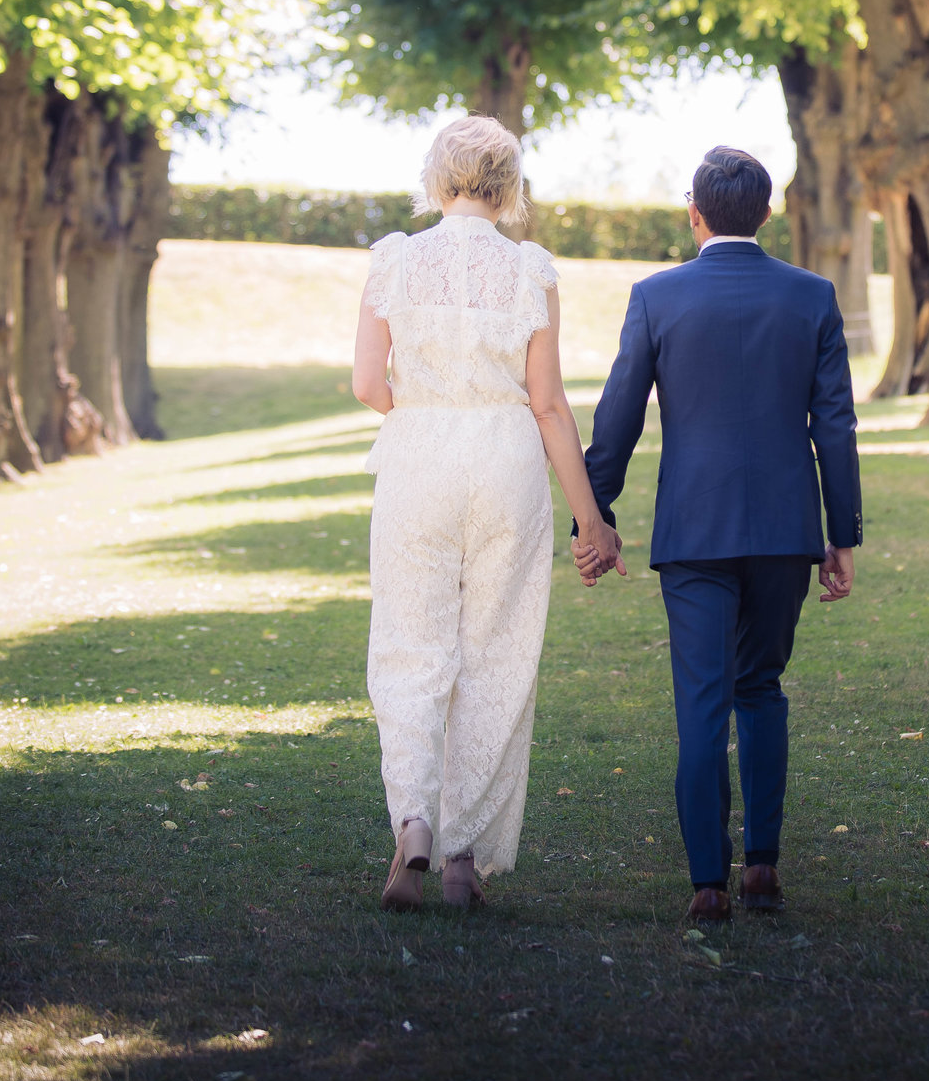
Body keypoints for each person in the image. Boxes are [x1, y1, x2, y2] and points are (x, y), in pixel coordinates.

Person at [576, 146, 861, 922]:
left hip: (693, 529)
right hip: (782, 528)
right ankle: (762, 865)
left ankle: (708, 881)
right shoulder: (812, 296)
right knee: (761, 688)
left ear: (693, 213)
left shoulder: (657, 297)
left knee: (701, 702)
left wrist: (592, 516)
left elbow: (619, 417)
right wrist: (842, 533)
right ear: (768, 212)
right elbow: (834, 421)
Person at [351, 115, 622, 911]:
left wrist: (430, 410)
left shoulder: (393, 261)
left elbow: (369, 386)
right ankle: (467, 852)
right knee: (497, 649)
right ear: (508, 189)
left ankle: (415, 826)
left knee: (409, 641)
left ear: (439, 179)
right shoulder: (531, 269)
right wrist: (591, 520)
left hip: (418, 457)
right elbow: (547, 404)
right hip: (505, 461)